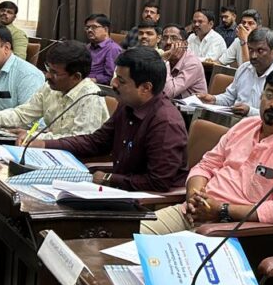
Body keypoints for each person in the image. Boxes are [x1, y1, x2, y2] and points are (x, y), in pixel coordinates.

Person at [139, 67, 273, 235]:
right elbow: (206, 165)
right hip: (191, 212)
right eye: (270, 94)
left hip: (232, 229)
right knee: (129, 235)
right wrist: (194, 197)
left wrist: (221, 210)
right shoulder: (245, 125)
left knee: (160, 257)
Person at [42, 47, 187, 191]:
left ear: (145, 88)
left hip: (149, 200)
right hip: (120, 189)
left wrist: (109, 179)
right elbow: (96, 142)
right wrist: (44, 144)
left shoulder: (165, 122)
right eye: (116, 76)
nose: (113, 83)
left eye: (121, 81)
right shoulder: (127, 105)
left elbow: (158, 182)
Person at [0, 40, 108, 140]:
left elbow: (79, 140)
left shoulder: (90, 96)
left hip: (77, 159)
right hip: (50, 150)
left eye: (54, 73)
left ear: (76, 77)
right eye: (48, 69)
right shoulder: (50, 87)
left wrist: (35, 137)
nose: (47, 76)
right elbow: (22, 115)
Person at [200, 27, 273, 115]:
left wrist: (249, 111)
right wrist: (214, 99)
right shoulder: (244, 68)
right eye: (250, 50)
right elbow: (230, 97)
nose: (253, 56)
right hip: (234, 119)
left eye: (260, 51)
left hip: (260, 123)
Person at [160, 23, 207, 99]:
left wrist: (165, 62)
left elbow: (169, 93)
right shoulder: (161, 56)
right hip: (170, 102)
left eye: (174, 38)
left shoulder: (192, 63)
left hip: (190, 105)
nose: (168, 42)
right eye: (165, 38)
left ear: (185, 44)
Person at [84, 14, 121, 84]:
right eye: (87, 27)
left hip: (97, 86)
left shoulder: (113, 49)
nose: (89, 30)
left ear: (106, 29)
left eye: (94, 27)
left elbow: (110, 77)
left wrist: (92, 80)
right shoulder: (88, 47)